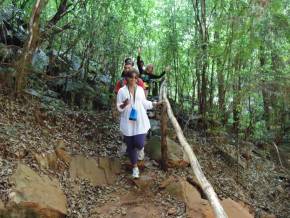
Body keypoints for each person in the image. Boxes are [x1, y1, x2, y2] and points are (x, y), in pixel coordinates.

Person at [116, 68, 162, 178]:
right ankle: (135, 168)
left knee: (140, 143)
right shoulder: (122, 91)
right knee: (130, 145)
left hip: (140, 119)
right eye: (131, 77)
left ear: (137, 79)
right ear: (126, 78)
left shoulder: (141, 90)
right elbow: (118, 107)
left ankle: (138, 151)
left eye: (135, 77)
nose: (133, 79)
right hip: (127, 120)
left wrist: (154, 104)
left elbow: (144, 103)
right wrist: (124, 104)